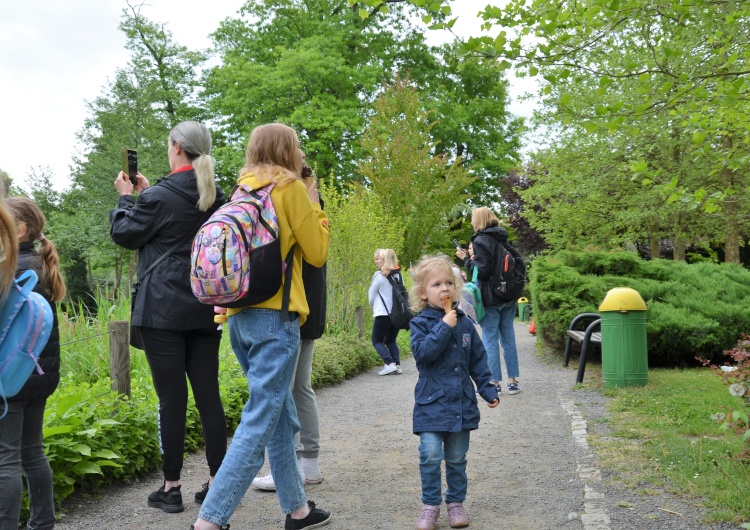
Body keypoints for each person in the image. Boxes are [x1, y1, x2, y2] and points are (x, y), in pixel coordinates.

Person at [191, 123, 331, 530]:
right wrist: (313, 199)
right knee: (259, 420)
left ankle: (298, 510)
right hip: (276, 319)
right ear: (289, 151)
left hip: (237, 318)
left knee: (280, 416)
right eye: (298, 147)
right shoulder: (288, 190)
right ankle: (210, 521)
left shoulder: (241, 191)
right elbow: (318, 253)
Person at [109, 121, 227, 513]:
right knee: (209, 394)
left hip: (163, 312)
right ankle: (217, 482)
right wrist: (146, 193)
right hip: (206, 306)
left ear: (176, 147)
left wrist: (128, 197)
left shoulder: (158, 196)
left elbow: (126, 234)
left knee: (171, 399)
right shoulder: (217, 195)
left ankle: (171, 487)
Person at [408, 255, 499, 530]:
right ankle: (430, 506)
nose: (444, 288)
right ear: (424, 293)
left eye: (449, 282)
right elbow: (424, 355)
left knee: (457, 458)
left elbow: (478, 361)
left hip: (460, 404)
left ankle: (456, 503)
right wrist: (444, 325)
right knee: (430, 455)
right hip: (431, 403)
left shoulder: (466, 323)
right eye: (437, 284)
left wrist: (487, 389)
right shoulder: (420, 324)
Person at [252, 167, 327, 491]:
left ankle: (291, 467)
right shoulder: (315, 206)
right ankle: (307, 464)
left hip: (293, 308)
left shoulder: (297, 204)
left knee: (283, 392)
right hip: (309, 308)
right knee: (300, 389)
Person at [0, 197, 65, 530]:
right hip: (40, 375)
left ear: (19, 230)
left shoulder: (12, 271)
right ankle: (43, 522)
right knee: (32, 451)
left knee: (6, 460)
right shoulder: (41, 264)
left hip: (13, 377)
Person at [456, 207, 522, 396]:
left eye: (471, 218)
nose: (470, 221)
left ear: (478, 220)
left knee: (490, 338)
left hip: (491, 297)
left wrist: (466, 259)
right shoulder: (502, 237)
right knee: (508, 337)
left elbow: (482, 271)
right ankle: (513, 381)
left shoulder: (480, 240)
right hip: (508, 295)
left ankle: (494, 382)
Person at [368, 248, 404, 376]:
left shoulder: (379, 276)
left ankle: (389, 363)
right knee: (391, 340)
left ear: (384, 260)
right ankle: (397, 365)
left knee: (377, 340)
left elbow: (371, 295)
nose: (376, 261)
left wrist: (373, 305)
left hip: (382, 313)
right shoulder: (398, 275)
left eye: (378, 259)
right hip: (396, 314)